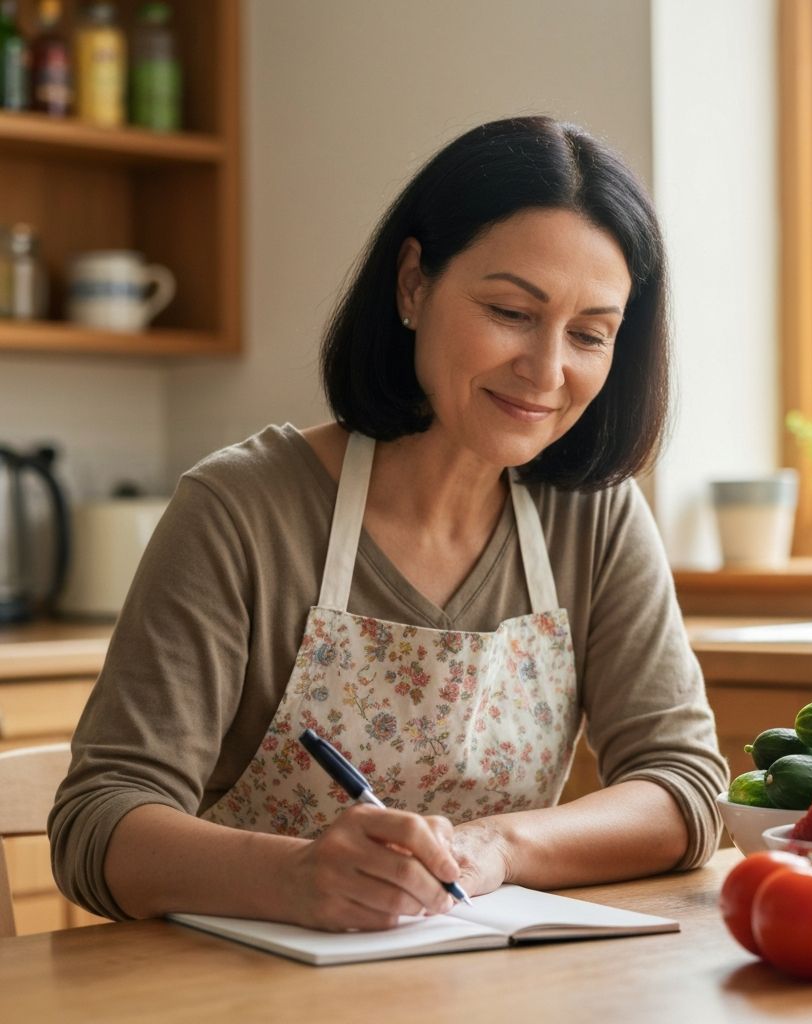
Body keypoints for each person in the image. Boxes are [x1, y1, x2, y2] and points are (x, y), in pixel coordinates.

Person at [49, 116, 728, 932]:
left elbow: (685, 787)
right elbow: (98, 819)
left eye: (589, 335)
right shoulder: (241, 511)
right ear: (413, 284)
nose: (547, 371)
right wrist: (297, 878)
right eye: (511, 311)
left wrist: (496, 849)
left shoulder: (593, 519)